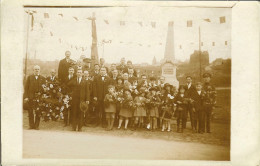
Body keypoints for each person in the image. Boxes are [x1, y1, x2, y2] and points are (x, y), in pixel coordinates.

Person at [24, 65, 46, 130]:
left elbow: (44, 89)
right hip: (30, 97)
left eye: (38, 69)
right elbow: (26, 88)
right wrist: (26, 97)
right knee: (30, 111)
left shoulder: (43, 78)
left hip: (39, 98)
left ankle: (36, 126)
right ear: (33, 70)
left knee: (38, 112)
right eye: (35, 69)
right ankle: (31, 125)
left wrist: (41, 94)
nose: (37, 70)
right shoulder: (29, 77)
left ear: (40, 70)